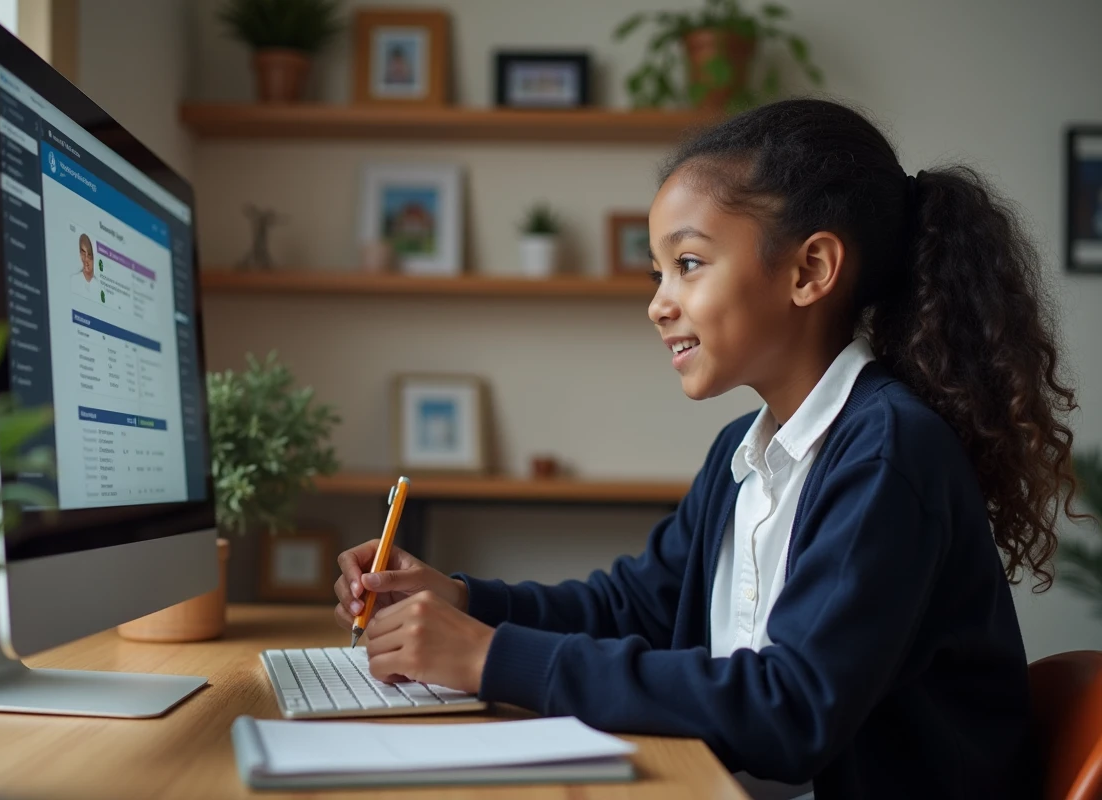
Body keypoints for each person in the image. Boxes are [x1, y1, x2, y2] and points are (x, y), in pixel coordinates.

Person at [333, 98, 1078, 799]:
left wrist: (489, 660)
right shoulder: (742, 456)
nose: (658, 301)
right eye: (658, 271)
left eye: (688, 264)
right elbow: (634, 609)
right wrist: (461, 600)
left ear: (809, 270)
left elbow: (789, 712)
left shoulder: (886, 454)